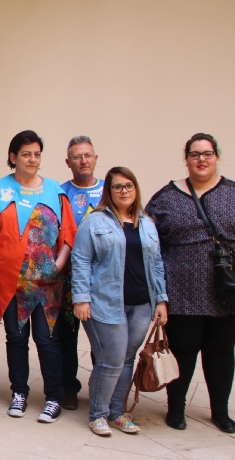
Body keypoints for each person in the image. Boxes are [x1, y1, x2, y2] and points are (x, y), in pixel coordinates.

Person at [146, 133, 235, 434]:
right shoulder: (166, 197)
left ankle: (220, 411)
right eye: (194, 154)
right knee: (182, 351)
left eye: (207, 153)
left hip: (228, 292)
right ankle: (176, 409)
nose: (201, 159)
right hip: (181, 292)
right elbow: (148, 241)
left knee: (220, 352)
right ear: (186, 159)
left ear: (216, 157)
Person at [0, 130, 77, 424]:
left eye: (37, 153)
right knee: (16, 338)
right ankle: (19, 392)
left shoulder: (54, 191)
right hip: (11, 282)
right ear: (13, 157)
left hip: (48, 285)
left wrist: (57, 267)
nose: (32, 159)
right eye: (26, 153)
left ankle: (53, 396)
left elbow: (68, 237)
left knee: (47, 340)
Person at [72, 167, 168, 436]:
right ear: (109, 192)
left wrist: (161, 300)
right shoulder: (94, 222)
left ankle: (117, 413)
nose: (124, 191)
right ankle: (98, 414)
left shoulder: (147, 223)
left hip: (141, 304)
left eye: (129, 185)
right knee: (110, 360)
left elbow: (157, 264)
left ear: (136, 189)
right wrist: (81, 298)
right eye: (117, 187)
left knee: (126, 359)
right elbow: (81, 261)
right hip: (105, 302)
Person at [58, 135, 105, 410]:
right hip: (67, 281)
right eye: (77, 156)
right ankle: (68, 387)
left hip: (102, 280)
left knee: (103, 336)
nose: (83, 160)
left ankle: (102, 387)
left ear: (96, 158)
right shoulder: (61, 192)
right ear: (68, 162)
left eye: (88, 155)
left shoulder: (110, 191)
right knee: (66, 335)